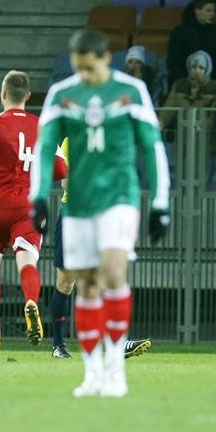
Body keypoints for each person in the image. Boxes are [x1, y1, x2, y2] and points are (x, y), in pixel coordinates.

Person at [30, 28, 170, 398]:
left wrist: (160, 201)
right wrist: (37, 195)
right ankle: (92, 373)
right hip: (76, 205)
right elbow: (45, 148)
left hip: (119, 199)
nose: (85, 76)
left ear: (107, 59)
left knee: (113, 272)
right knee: (87, 283)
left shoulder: (131, 91)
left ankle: (115, 369)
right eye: (78, 68)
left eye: (90, 68)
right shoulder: (63, 95)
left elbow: (152, 145)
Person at [0, 70, 67, 349]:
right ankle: (30, 300)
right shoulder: (43, 126)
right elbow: (62, 168)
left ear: (3, 94)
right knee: (27, 263)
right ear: (28, 96)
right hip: (29, 206)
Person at [49, 137, 153, 360]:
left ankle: (116, 341)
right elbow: (66, 183)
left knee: (105, 278)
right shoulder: (71, 140)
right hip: (73, 215)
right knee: (66, 281)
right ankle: (59, 344)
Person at [158, 51, 216, 131]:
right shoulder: (179, 85)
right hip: (182, 136)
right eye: (193, 67)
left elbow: (215, 114)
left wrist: (203, 126)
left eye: (201, 68)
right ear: (189, 68)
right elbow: (169, 107)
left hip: (206, 136)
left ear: (207, 69)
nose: (197, 71)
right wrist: (161, 122)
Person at [166, 0, 216, 88]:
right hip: (184, 82)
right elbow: (173, 63)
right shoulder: (179, 32)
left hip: (210, 82)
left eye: (213, 10)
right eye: (208, 10)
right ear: (197, 11)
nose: (212, 14)